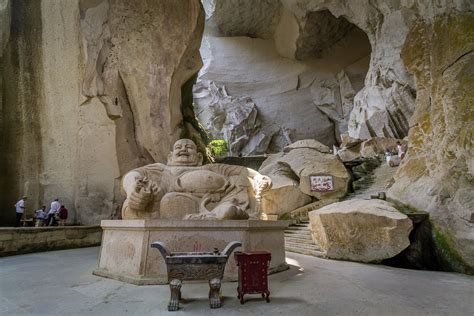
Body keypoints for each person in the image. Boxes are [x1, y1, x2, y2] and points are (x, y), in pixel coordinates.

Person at [121, 138, 271, 220]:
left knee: (228, 210)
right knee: (134, 206)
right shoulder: (161, 169)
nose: (184, 149)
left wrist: (260, 177)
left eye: (189, 147)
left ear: (199, 157)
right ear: (170, 157)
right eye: (178, 147)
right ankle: (149, 205)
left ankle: (217, 215)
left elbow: (243, 172)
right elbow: (132, 175)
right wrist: (132, 190)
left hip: (212, 203)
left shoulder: (211, 168)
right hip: (170, 202)